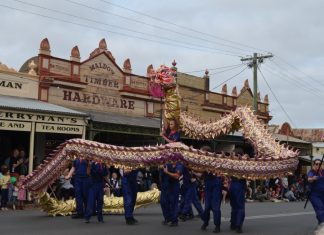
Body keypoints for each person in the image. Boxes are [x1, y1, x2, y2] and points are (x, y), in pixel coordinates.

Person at [200, 146, 223, 233]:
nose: (201, 153)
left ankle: (217, 225)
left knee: (215, 207)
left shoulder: (216, 160)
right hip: (208, 184)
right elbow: (202, 174)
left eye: (202, 152)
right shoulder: (202, 161)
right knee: (207, 207)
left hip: (216, 183)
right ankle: (205, 222)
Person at [160, 162, 182, 226]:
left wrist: (167, 172)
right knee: (163, 202)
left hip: (173, 186)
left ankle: (174, 220)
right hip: (165, 186)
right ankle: (168, 218)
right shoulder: (165, 163)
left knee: (173, 203)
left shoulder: (179, 165)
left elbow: (177, 176)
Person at [307, 159, 324, 226]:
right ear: (314, 165)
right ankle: (322, 224)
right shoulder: (312, 172)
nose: (318, 165)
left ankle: (321, 220)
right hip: (314, 195)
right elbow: (309, 179)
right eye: (316, 164)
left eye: (320, 164)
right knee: (320, 208)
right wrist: (313, 178)